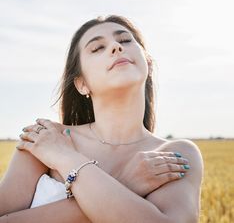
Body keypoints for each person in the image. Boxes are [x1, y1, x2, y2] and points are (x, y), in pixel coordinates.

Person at [0, 14, 204, 222]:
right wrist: (125, 184)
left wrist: (65, 158)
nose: (116, 47)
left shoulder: (175, 154)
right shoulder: (46, 139)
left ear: (148, 65)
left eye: (125, 40)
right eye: (98, 48)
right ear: (81, 84)